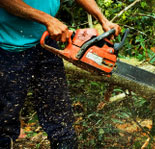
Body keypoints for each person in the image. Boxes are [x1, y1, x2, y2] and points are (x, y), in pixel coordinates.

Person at [0, 0, 121, 148]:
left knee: (59, 113)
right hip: (7, 47)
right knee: (5, 118)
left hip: (46, 41)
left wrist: (102, 19)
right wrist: (48, 19)